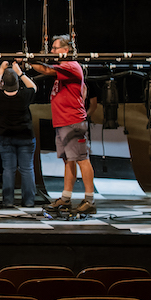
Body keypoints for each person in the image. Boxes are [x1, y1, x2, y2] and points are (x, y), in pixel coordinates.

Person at [33, 35, 97, 214]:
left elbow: (45, 70)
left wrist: (28, 61)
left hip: (73, 122)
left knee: (82, 159)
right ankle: (66, 198)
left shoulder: (71, 65)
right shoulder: (63, 67)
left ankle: (89, 200)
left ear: (65, 50)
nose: (52, 51)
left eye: (55, 48)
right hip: (63, 122)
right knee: (68, 160)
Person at [0, 61, 39, 207]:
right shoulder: (24, 96)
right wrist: (21, 73)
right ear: (17, 82)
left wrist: (1, 69)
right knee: (27, 169)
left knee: (8, 170)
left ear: (3, 83)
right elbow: (33, 87)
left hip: (6, 138)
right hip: (26, 137)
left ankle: (8, 201)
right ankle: (29, 201)